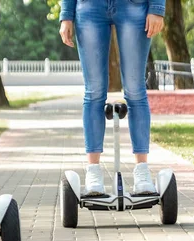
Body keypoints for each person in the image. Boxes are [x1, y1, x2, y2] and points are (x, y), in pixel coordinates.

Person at [59, 0, 166, 196]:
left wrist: (157, 8)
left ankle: (142, 172)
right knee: (94, 92)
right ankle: (93, 173)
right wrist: (66, 14)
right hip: (90, 7)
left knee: (135, 91)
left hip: (133, 6)